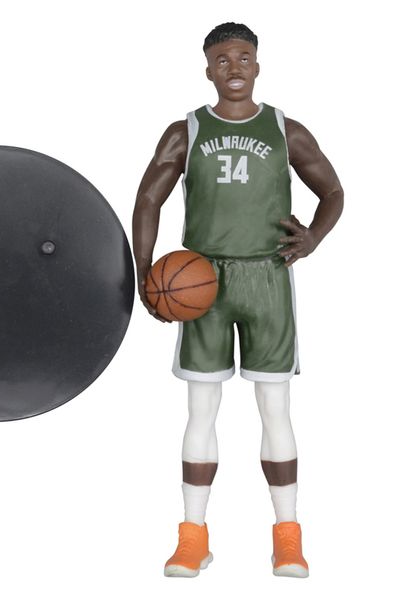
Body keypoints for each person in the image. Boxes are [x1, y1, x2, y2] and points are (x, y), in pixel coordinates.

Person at [132, 22, 343, 578]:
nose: (234, 67)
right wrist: (142, 270)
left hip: (268, 276)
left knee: (275, 407)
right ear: (208, 69)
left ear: (257, 64)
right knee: (200, 408)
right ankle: (192, 537)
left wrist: (314, 237)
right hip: (202, 280)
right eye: (222, 59)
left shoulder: (284, 129)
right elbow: (148, 199)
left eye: (243, 57)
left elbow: (333, 189)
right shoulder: (185, 131)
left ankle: (288, 536)